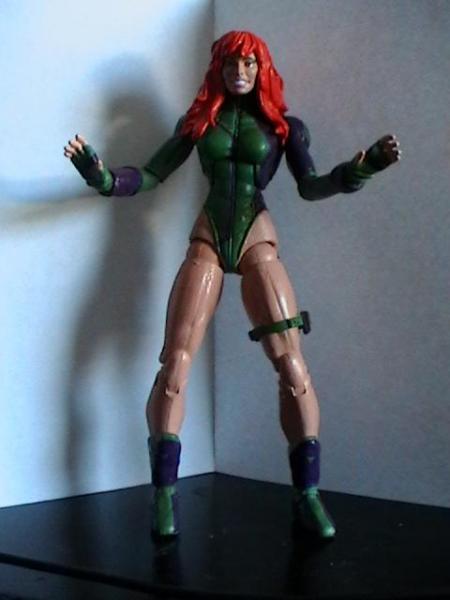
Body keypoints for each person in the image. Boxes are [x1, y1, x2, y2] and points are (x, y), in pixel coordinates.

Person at [64, 30, 401, 539]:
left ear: (261, 68)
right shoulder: (199, 123)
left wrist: (361, 169)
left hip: (256, 237)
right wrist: (102, 177)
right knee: (175, 365)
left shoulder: (284, 128)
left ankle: (307, 495)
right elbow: (151, 174)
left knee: (292, 366)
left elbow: (311, 186)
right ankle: (164, 495)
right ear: (218, 69)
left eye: (248, 64)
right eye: (231, 64)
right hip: (207, 238)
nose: (239, 72)